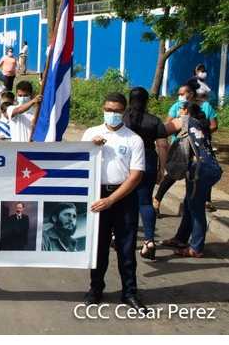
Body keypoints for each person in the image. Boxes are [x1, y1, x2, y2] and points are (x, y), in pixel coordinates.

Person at [81, 92, 146, 310]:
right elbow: (80, 164)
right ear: (103, 109)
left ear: (124, 111)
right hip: (96, 195)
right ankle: (95, 289)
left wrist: (111, 200)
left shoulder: (133, 139)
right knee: (98, 248)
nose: (112, 114)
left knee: (126, 249)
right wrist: (91, 147)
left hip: (123, 197)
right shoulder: (91, 133)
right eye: (109, 110)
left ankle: (129, 293)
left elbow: (135, 176)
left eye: (117, 111)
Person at [160, 102, 222, 258]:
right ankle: (181, 239)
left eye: (181, 109)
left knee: (196, 209)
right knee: (189, 203)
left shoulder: (186, 120)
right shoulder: (200, 124)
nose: (178, 112)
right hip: (207, 168)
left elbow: (162, 130)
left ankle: (196, 248)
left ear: (186, 111)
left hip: (199, 170)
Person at [155, 83, 218, 212]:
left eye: (182, 93)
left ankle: (205, 200)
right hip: (181, 147)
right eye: (179, 94)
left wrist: (198, 132)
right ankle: (157, 198)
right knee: (174, 172)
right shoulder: (176, 107)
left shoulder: (205, 106)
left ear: (191, 94)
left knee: (201, 170)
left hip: (199, 146)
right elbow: (168, 125)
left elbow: (213, 125)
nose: (180, 96)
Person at [122, 87, 168, 261]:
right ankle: (149, 241)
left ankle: (121, 237)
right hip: (147, 160)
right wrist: (161, 169)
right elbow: (163, 146)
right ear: (147, 101)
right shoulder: (154, 121)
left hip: (125, 160)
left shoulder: (123, 119)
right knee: (145, 202)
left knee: (123, 200)